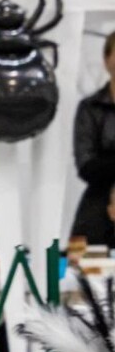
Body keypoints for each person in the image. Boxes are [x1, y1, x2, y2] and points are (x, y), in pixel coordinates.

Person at [69, 31, 115, 246]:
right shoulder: (90, 108)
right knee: (84, 257)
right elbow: (86, 166)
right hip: (99, 201)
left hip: (103, 180)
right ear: (106, 60)